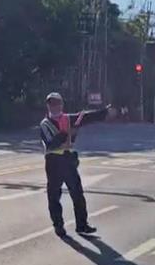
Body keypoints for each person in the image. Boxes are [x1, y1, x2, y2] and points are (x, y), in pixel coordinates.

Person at [39, 92, 110, 237]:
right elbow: (51, 143)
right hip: (53, 162)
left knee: (77, 193)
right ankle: (58, 225)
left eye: (57, 103)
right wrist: (68, 132)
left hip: (68, 160)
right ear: (48, 106)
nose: (55, 107)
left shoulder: (67, 118)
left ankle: (82, 225)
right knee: (54, 196)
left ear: (62, 105)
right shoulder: (45, 124)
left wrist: (104, 112)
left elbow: (85, 117)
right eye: (52, 104)